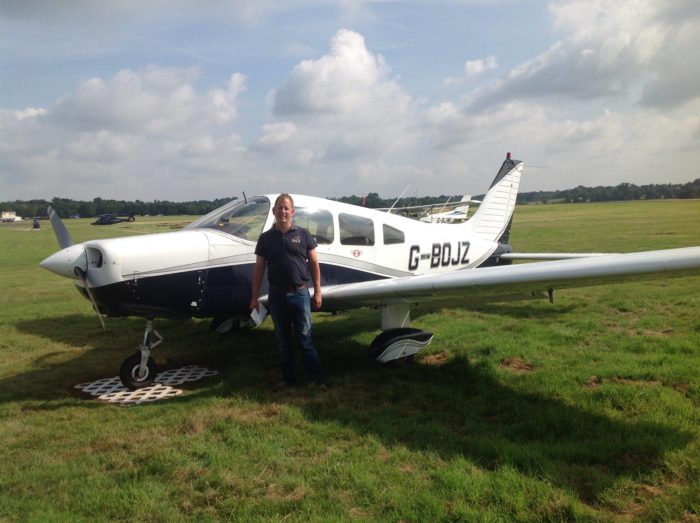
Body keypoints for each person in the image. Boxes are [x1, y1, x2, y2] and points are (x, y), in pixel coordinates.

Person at [250, 193, 326, 389]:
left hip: (300, 294)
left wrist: (317, 291)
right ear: (274, 211)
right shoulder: (265, 239)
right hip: (277, 296)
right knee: (283, 342)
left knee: (305, 339)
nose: (283, 211)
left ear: (292, 212)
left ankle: (316, 381)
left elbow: (315, 263)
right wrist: (254, 297)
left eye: (286, 208)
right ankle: (288, 380)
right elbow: (259, 268)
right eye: (279, 208)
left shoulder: (303, 234)